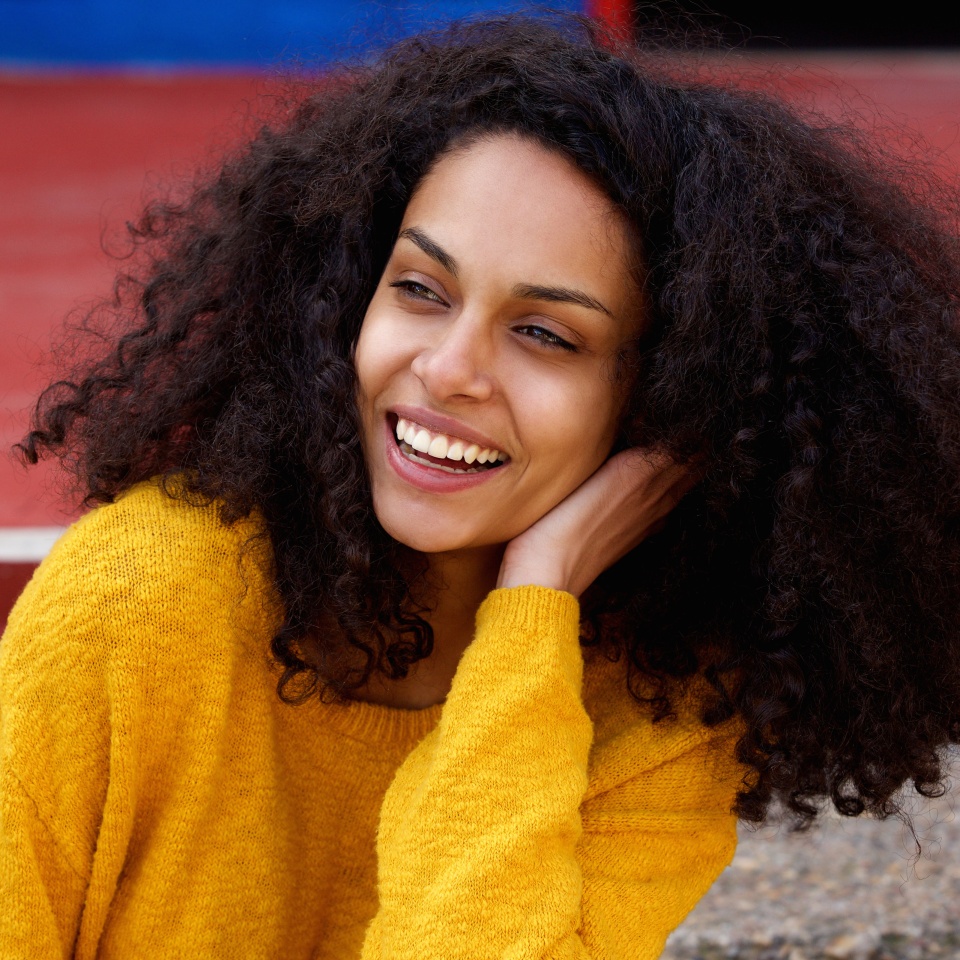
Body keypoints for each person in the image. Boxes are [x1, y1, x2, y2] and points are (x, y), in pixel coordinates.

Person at [3, 14, 960, 960]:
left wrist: (532, 608)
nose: (451, 369)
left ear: (666, 404)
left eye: (547, 334)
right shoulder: (137, 603)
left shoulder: (659, 710)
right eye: (420, 288)